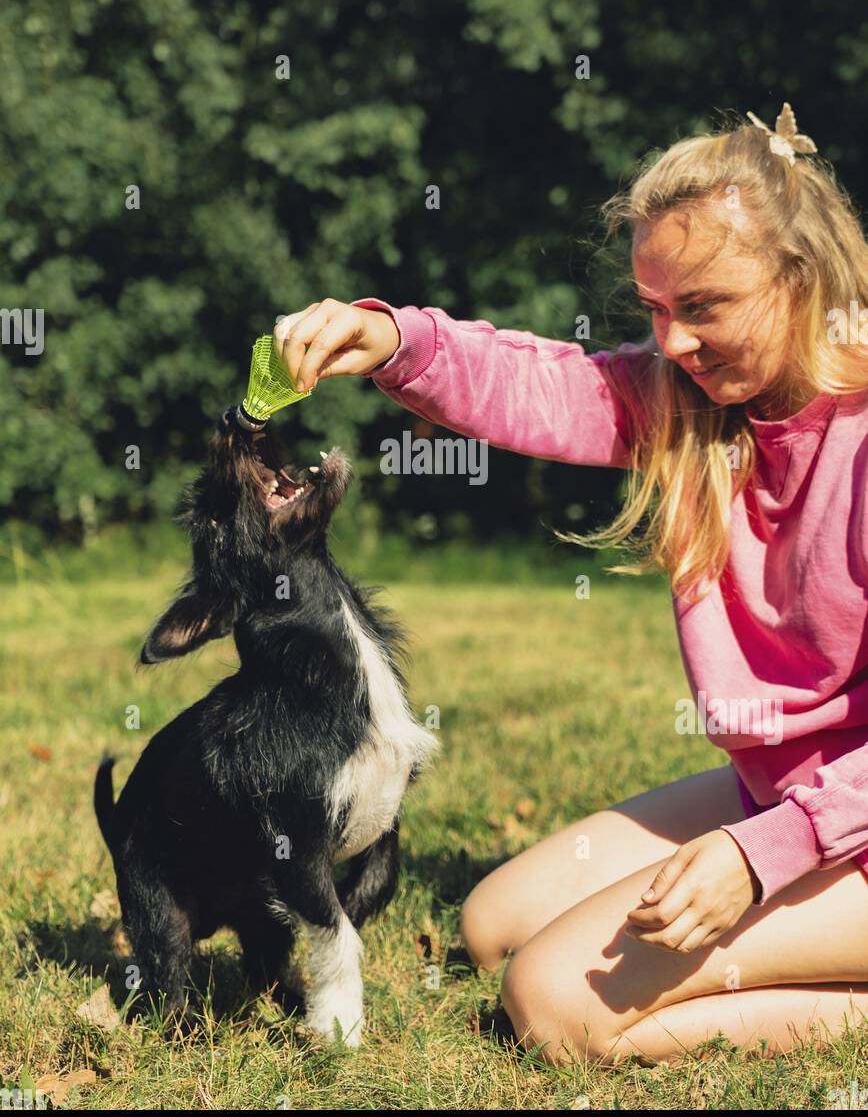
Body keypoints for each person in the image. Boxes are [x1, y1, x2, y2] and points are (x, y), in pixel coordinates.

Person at [272, 104, 868, 1065]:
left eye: (705, 306)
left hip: (845, 819)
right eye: (657, 310)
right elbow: (545, 384)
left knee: (550, 1004)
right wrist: (393, 341)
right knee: (492, 925)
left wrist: (762, 861)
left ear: (801, 282)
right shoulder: (693, 409)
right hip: (784, 792)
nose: (673, 342)